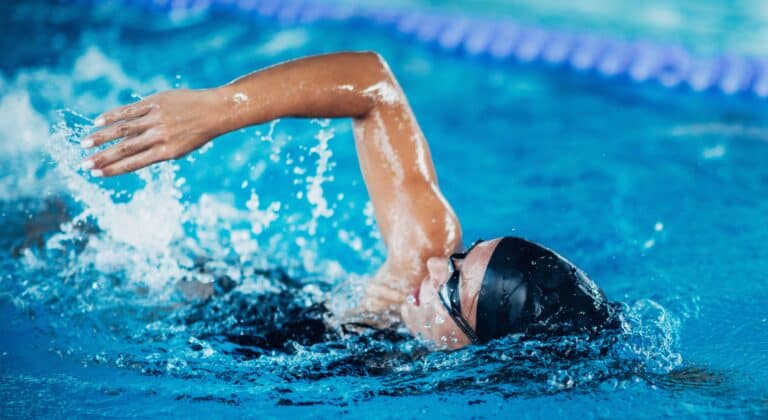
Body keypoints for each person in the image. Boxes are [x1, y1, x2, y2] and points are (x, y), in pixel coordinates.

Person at [81, 52, 617, 350]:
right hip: (208, 297)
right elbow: (372, 84)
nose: (434, 265)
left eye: (453, 289)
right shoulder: (420, 262)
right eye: (462, 257)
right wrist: (219, 109)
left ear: (480, 352)